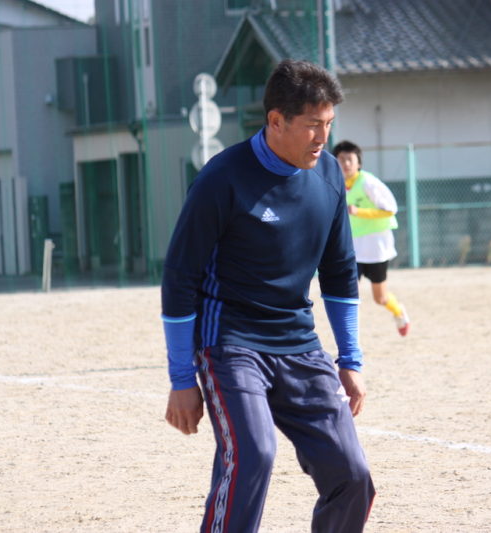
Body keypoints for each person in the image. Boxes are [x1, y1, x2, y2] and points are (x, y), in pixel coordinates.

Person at [161, 59, 375, 533]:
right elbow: (179, 279)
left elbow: (340, 273)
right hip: (230, 343)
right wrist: (181, 378)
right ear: (276, 121)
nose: (323, 138)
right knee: (253, 454)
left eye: (329, 124)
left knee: (352, 475)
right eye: (313, 125)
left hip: (299, 344)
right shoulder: (222, 178)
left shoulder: (329, 178)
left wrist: (351, 359)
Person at [332, 140, 410, 336]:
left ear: (358, 162)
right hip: (352, 248)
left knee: (380, 298)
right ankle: (350, 338)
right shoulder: (335, 184)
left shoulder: (368, 182)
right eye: (341, 159)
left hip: (376, 247)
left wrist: (359, 211)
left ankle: (399, 311)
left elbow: (391, 209)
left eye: (349, 159)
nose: (345, 164)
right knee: (348, 295)